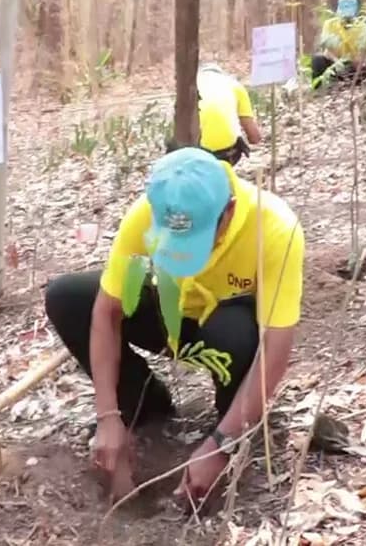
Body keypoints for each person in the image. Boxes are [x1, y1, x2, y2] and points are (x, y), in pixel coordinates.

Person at [44, 147, 304, 500]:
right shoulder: (145, 217)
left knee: (240, 337)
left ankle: (229, 424)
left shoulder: (274, 228)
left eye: (194, 243)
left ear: (227, 213)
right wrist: (107, 415)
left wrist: (220, 444)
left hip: (224, 337)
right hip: (170, 313)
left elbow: (276, 347)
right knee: (68, 298)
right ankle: (144, 403)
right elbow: (107, 313)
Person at [166, 64, 263, 166]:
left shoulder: (188, 87)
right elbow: (254, 137)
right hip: (225, 154)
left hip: (195, 154)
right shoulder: (235, 85)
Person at [310, 0, 366, 88]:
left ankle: (350, 85)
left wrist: (352, 63)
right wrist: (336, 62)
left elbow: (362, 54)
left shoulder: (363, 28)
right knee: (317, 60)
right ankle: (319, 88)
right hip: (332, 61)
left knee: (365, 69)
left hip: (351, 64)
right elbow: (327, 50)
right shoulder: (329, 24)